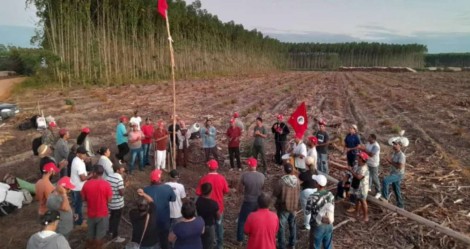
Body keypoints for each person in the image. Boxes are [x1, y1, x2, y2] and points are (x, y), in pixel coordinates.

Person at [195, 160, 229, 249]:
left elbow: (198, 192)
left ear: (208, 167)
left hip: (205, 208)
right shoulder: (222, 178)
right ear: (217, 167)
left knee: (206, 227)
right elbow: (226, 191)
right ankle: (220, 244)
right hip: (219, 207)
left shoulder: (204, 179)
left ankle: (206, 244)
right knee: (219, 226)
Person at [81, 165, 113, 248]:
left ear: (94, 173)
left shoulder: (87, 184)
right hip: (102, 214)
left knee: (90, 235)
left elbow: (83, 198)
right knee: (100, 237)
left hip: (91, 213)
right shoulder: (107, 185)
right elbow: (109, 200)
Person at [144, 169, 176, 249]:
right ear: (160, 179)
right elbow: (173, 199)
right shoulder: (167, 188)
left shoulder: (146, 190)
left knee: (154, 241)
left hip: (151, 221)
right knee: (164, 240)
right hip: (164, 220)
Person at [236, 157, 265, 245]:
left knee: (242, 220)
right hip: (259, 201)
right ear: (256, 165)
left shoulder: (244, 175)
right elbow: (263, 188)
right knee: (258, 220)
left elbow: (240, 189)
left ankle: (240, 240)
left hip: (248, 201)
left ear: (249, 165)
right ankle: (257, 236)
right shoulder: (262, 176)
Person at [273, 163, 300, 249]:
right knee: (292, 225)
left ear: (284, 170)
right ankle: (292, 244)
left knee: (281, 226)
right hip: (294, 206)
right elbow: (298, 192)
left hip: (283, 207)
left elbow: (275, 194)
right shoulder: (297, 181)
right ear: (292, 170)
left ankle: (282, 245)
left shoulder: (281, 181)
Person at [305, 175, 335, 249]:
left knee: (316, 246)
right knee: (328, 245)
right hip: (329, 224)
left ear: (317, 184)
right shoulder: (330, 194)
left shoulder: (312, 197)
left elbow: (307, 212)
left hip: (317, 225)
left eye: (315, 182)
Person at [380, 139, 406, 208]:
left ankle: (385, 198)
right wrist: (387, 161)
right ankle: (400, 205)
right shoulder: (394, 153)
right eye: (393, 144)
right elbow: (393, 163)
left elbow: (400, 166)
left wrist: (390, 162)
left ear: (400, 146)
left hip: (398, 174)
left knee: (385, 181)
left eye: (396, 144)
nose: (394, 146)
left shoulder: (401, 155)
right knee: (396, 189)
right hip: (394, 173)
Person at [196, 183, 220, 249]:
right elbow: (218, 216)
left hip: (200, 224)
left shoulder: (198, 200)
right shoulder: (214, 204)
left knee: (201, 242)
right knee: (210, 243)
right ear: (211, 191)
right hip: (209, 225)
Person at [107, 164, 126, 243]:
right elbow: (122, 193)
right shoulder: (119, 178)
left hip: (111, 202)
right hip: (118, 204)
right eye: (122, 168)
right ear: (117, 170)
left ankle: (110, 231)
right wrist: (125, 186)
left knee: (112, 217)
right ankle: (115, 237)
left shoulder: (108, 176)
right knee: (116, 220)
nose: (123, 169)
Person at [70, 146, 89, 226]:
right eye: (83, 154)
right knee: (78, 206)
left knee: (77, 206)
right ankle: (79, 222)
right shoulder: (79, 163)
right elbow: (82, 178)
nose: (85, 155)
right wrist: (90, 175)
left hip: (74, 186)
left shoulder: (76, 160)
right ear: (78, 154)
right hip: (78, 188)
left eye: (85, 153)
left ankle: (78, 220)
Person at [299, 157, 318, 231]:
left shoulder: (305, 174)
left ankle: (307, 225)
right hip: (315, 190)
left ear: (306, 164)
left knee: (307, 209)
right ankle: (313, 221)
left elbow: (300, 179)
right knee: (314, 207)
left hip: (306, 192)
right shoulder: (315, 171)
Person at [361, 134, 381, 199]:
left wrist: (363, 149)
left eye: (369, 137)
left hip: (374, 164)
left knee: (375, 178)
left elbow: (371, 154)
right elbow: (366, 149)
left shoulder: (376, 146)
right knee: (368, 175)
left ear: (373, 139)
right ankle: (368, 187)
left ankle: (378, 191)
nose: (368, 138)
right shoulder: (368, 143)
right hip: (368, 162)